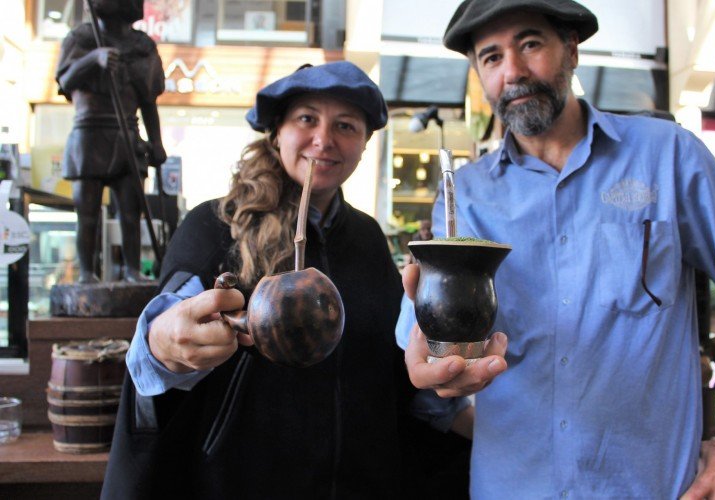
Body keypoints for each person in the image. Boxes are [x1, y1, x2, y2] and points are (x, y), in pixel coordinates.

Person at [396, 0, 715, 498]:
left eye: (530, 44)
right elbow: (433, 329)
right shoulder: (469, 196)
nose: (514, 72)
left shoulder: (666, 156)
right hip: (513, 485)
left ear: (570, 50)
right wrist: (431, 355)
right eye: (492, 57)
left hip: (650, 486)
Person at [102, 61, 471, 499]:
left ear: (364, 145)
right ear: (276, 132)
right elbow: (161, 339)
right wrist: (162, 345)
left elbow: (393, 371)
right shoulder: (216, 225)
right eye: (307, 119)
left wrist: (444, 373)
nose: (324, 139)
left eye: (346, 126)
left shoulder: (368, 238)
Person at [56, 0, 166, 283]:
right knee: (87, 215)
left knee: (130, 213)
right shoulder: (82, 38)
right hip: (89, 134)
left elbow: (148, 102)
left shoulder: (143, 46)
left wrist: (156, 142)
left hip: (127, 135)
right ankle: (87, 273)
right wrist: (94, 58)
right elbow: (66, 81)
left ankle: (131, 270)